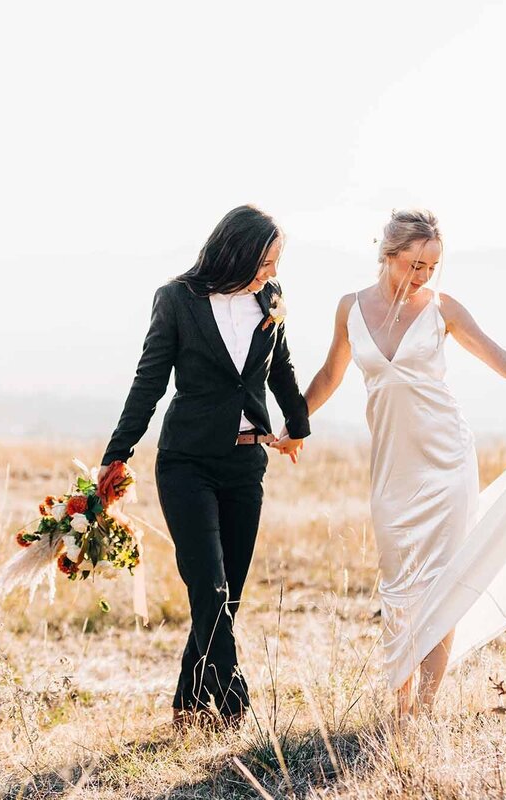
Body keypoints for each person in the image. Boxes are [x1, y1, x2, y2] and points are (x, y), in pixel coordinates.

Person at [285, 208, 506, 715]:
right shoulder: (350, 308)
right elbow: (329, 375)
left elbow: (504, 362)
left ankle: (422, 709)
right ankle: (400, 696)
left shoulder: (442, 309)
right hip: (392, 467)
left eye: (432, 266)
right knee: (398, 582)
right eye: (415, 264)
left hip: (448, 460)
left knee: (443, 579)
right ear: (388, 256)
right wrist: (292, 424)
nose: (423, 275)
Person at [101, 204, 310, 728]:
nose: (273, 273)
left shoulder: (270, 300)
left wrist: (297, 424)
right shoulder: (177, 300)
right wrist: (117, 452)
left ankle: (189, 705)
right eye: (267, 261)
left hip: (246, 465)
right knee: (208, 588)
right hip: (186, 464)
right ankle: (235, 700)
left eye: (276, 262)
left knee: (227, 596)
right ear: (236, 253)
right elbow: (149, 380)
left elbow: (279, 365)